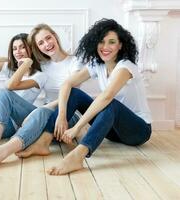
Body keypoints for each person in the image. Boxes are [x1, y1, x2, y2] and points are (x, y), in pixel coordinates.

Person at [40, 18, 152, 175]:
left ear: (120, 45)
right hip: (112, 131)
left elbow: (106, 97)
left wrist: (77, 127)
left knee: (110, 103)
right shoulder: (97, 64)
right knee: (75, 93)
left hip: (138, 131)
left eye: (111, 42)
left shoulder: (126, 67)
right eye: (101, 42)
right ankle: (43, 141)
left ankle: (78, 156)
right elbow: (67, 84)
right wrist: (62, 115)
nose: (105, 47)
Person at [0, 24, 84, 163]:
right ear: (37, 48)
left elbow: (72, 93)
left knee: (40, 112)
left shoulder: (75, 62)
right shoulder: (44, 65)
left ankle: (3, 151)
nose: (47, 44)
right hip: (47, 115)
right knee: (4, 93)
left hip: (68, 114)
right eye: (41, 43)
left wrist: (42, 109)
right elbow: (14, 58)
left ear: (55, 36)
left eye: (48, 38)